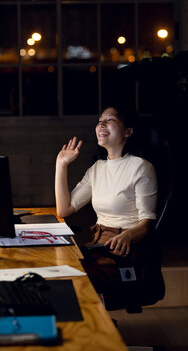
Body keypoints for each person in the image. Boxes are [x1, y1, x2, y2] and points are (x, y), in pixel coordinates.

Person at [54, 106, 158, 292]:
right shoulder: (97, 168)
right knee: (54, 272)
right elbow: (64, 209)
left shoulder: (141, 167)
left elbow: (146, 224)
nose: (101, 124)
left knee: (68, 282)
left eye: (109, 120)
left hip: (123, 252)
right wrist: (61, 165)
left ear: (128, 131)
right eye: (99, 120)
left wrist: (127, 235)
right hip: (97, 247)